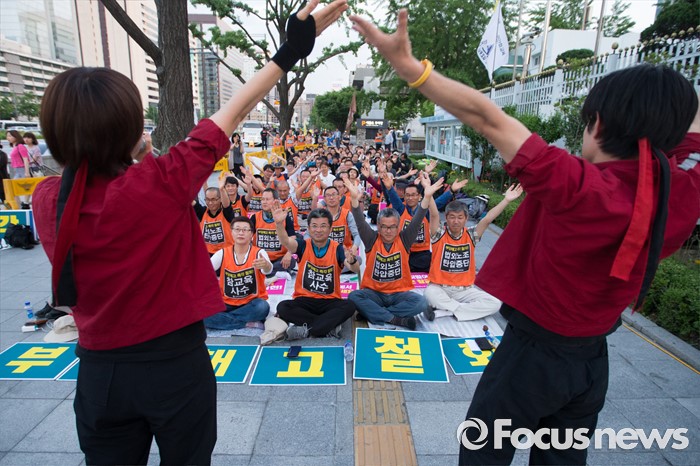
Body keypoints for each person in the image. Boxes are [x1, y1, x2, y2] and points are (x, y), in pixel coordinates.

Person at [350, 9, 700, 465]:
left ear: (597, 125)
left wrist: (411, 69)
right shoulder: (684, 190)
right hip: (593, 360)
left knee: (483, 449)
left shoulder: (578, 186)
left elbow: (487, 117)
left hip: (533, 354)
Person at [31, 1, 348, 464]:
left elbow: (84, 179)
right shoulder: (161, 181)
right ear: (130, 130)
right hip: (174, 367)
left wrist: (129, 153)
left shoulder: (47, 200)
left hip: (100, 375)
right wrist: (289, 52)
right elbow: (232, 113)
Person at [347, 173, 443, 329]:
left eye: (392, 227)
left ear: (398, 227)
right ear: (378, 226)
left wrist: (426, 197)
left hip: (399, 294)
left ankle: (375, 313)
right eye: (384, 227)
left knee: (420, 302)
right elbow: (359, 220)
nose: (388, 231)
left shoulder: (405, 238)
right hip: (374, 293)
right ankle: (396, 319)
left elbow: (418, 218)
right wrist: (353, 199)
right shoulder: (371, 238)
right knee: (354, 297)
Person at [423, 185, 523, 321]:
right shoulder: (438, 234)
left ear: (466, 218)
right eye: (452, 217)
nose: (456, 221)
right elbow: (434, 215)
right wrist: (428, 194)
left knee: (494, 303)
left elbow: (487, 219)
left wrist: (506, 200)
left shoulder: (471, 234)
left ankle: (447, 311)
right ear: (446, 218)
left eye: (460, 217)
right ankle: (459, 309)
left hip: (465, 290)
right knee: (429, 293)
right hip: (440, 288)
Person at [273, 207, 359, 339]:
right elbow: (286, 241)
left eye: (323, 226)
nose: (318, 230)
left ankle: (308, 329)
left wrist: (352, 260)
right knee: (283, 307)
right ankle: (325, 326)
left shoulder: (337, 248)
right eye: (314, 226)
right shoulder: (302, 245)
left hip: (330, 301)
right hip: (304, 301)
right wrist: (279, 224)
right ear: (308, 228)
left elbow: (355, 269)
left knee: (350, 306)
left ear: (330, 229)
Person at [205, 216, 271, 330]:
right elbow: (206, 270)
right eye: (237, 229)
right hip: (227, 303)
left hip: (251, 303)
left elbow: (268, 269)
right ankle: (246, 323)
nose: (241, 233)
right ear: (232, 232)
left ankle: (224, 320)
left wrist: (265, 265)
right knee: (202, 312)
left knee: (263, 307)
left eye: (245, 229)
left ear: (251, 234)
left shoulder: (259, 252)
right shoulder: (222, 253)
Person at [251, 187, 297, 276]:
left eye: (267, 199)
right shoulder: (255, 217)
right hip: (261, 258)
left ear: (275, 201)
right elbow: (248, 238)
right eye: (263, 199)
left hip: (279, 258)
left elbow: (292, 237)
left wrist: (289, 253)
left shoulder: (284, 217)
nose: (264, 202)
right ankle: (273, 273)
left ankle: (267, 272)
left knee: (291, 261)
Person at [194, 178, 235, 256]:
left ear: (220, 199)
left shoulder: (226, 213)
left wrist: (222, 190)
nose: (210, 203)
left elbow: (227, 205)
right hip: (207, 254)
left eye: (213, 200)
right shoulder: (203, 212)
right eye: (207, 200)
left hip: (226, 253)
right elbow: (191, 202)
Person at [6, 130, 31, 208]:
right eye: (7, 136)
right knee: (13, 189)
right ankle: (20, 206)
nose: (8, 138)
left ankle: (25, 203)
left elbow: (25, 159)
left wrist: (27, 172)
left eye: (10, 136)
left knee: (27, 188)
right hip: (17, 170)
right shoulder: (14, 146)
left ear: (16, 136)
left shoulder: (20, 146)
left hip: (22, 169)